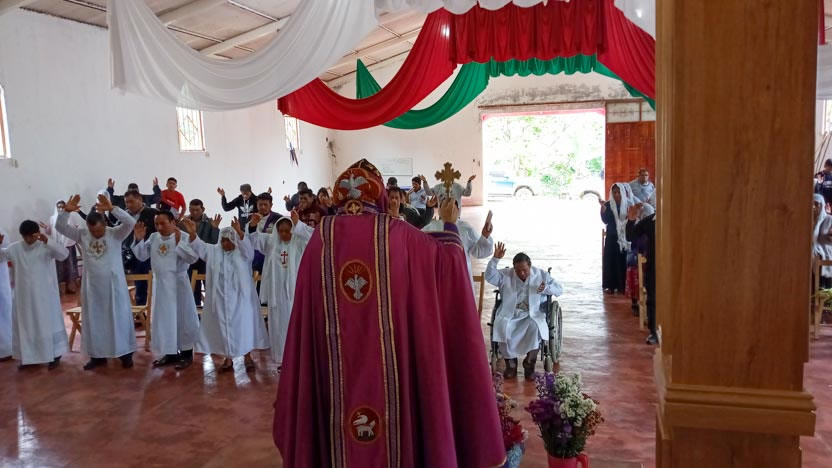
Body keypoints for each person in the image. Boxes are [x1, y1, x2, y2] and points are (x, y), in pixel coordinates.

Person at [274, 159, 504, 467]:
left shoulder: (320, 239)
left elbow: (305, 310)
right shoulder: (397, 234)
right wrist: (449, 224)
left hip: (333, 370)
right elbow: (447, 261)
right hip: (393, 366)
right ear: (379, 196)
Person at [57, 194, 137, 370]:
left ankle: (125, 353)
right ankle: (97, 356)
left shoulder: (115, 233)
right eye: (93, 231)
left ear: (105, 224)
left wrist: (113, 209)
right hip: (92, 287)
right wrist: (66, 212)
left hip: (113, 286)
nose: (96, 234)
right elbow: (60, 227)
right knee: (95, 321)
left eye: (99, 231)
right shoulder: (82, 234)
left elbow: (130, 222)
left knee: (118, 319)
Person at [184, 217, 269, 372]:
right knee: (223, 328)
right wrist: (192, 234)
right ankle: (228, 359)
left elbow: (249, 250)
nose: (225, 244)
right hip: (220, 299)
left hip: (241, 300)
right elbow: (200, 247)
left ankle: (247, 356)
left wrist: (239, 232)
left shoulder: (243, 254)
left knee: (243, 328)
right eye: (222, 240)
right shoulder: (214, 251)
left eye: (228, 240)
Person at [131, 211, 200, 369]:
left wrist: (179, 243)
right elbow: (142, 256)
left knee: (182, 318)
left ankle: (186, 353)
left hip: (178, 284)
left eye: (163, 223)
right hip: (160, 285)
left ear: (173, 222)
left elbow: (192, 258)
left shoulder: (183, 236)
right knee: (164, 319)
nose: (159, 227)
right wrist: (139, 240)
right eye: (157, 224)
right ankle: (170, 353)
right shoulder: (154, 237)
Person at [486, 242, 563, 380]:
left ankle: (529, 363)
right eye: (518, 271)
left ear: (530, 266)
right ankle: (511, 364)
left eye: (525, 270)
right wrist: (495, 259)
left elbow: (559, 289)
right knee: (503, 326)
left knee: (535, 327)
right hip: (510, 313)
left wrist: (546, 289)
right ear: (514, 268)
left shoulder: (541, 275)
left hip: (532, 314)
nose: (522, 273)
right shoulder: (506, 274)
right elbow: (490, 276)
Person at [0, 221, 68, 369]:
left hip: (45, 296)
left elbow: (63, 254)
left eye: (31, 236)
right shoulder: (15, 248)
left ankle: (54, 355)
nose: (28, 240)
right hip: (24, 297)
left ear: (37, 234)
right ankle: (30, 357)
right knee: (27, 326)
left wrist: (48, 241)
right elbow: (2, 256)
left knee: (47, 324)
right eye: (25, 237)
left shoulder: (45, 246)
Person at [252, 211, 313, 367]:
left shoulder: (299, 242)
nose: (284, 234)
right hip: (277, 295)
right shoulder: (271, 243)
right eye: (281, 231)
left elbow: (314, 237)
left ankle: (297, 360)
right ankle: (282, 360)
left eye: (288, 231)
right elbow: (254, 239)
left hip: (295, 294)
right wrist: (253, 225)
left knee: (296, 326)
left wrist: (298, 224)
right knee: (278, 327)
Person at [422, 199, 494, 292]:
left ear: (458, 211)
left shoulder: (465, 228)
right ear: (440, 210)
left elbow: (479, 252)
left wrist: (485, 236)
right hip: (437, 278)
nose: (449, 211)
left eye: (453, 208)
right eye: (446, 207)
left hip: (461, 278)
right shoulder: (429, 228)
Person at [178, 200, 220, 307]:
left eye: (197, 210)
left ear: (203, 209)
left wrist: (215, 228)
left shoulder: (210, 222)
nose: (194, 212)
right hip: (190, 260)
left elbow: (214, 242)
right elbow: (181, 242)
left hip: (206, 260)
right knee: (193, 290)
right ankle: (196, 313)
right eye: (192, 210)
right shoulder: (183, 223)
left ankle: (211, 312)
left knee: (209, 288)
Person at [626, 202, 658, 344]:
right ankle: (654, 332)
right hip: (653, 267)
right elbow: (630, 236)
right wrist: (631, 220)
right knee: (653, 299)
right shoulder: (650, 221)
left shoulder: (675, 220)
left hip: (672, 266)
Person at [122, 190, 158, 306]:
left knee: (153, 285)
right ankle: (140, 311)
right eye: (126, 202)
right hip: (131, 254)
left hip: (150, 253)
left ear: (140, 200)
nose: (129, 205)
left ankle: (154, 309)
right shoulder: (124, 215)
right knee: (139, 286)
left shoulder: (153, 213)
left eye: (131, 201)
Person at [600, 183, 632, 294]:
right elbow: (605, 221)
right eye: (614, 192)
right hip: (612, 237)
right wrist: (603, 210)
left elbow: (631, 219)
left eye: (619, 192)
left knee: (623, 260)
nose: (617, 194)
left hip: (625, 237)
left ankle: (622, 286)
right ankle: (610, 286)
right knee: (610, 261)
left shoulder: (628, 203)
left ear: (622, 192)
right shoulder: (608, 205)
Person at [45, 200, 79, 295]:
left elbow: (74, 230)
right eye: (59, 207)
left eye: (62, 207)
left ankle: (69, 286)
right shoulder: (52, 218)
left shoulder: (71, 217)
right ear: (56, 208)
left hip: (69, 245)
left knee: (70, 267)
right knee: (59, 267)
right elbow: (49, 232)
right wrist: (46, 228)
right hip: (57, 246)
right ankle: (59, 289)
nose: (60, 209)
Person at [248, 192, 283, 276]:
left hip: (272, 258)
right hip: (254, 259)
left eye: (265, 204)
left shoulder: (279, 219)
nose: (263, 207)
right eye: (260, 204)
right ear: (256, 205)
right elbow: (247, 237)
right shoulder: (251, 218)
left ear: (271, 205)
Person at [813, 194, 832, 288]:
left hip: (826, 252)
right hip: (812, 252)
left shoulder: (829, 219)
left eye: (816, 204)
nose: (814, 207)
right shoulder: (808, 221)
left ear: (822, 205)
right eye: (812, 204)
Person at [0, 227, 11, 362]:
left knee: (4, 310)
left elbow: (7, 252)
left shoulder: (2, 231)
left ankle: (6, 348)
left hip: (1, 277)